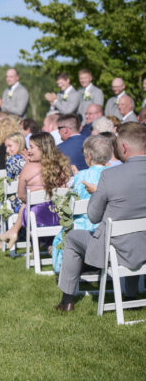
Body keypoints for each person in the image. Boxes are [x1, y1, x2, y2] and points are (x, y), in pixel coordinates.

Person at [56, 123, 146, 312]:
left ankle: (67, 300)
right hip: (142, 244)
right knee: (135, 233)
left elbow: (94, 216)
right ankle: (130, 296)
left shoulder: (110, 175)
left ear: (124, 147)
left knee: (72, 238)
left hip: (115, 248)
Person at [0, 132, 71, 247]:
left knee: (26, 204)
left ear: (42, 148)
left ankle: (14, 231)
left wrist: (29, 165)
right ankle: (49, 245)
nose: (28, 150)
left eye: (31, 147)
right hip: (59, 215)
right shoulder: (62, 166)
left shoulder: (28, 168)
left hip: (36, 217)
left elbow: (21, 195)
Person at [51, 135, 112, 273]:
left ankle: (73, 267)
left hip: (83, 228)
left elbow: (74, 200)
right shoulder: (114, 174)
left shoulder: (81, 176)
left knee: (62, 235)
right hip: (107, 227)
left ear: (89, 155)